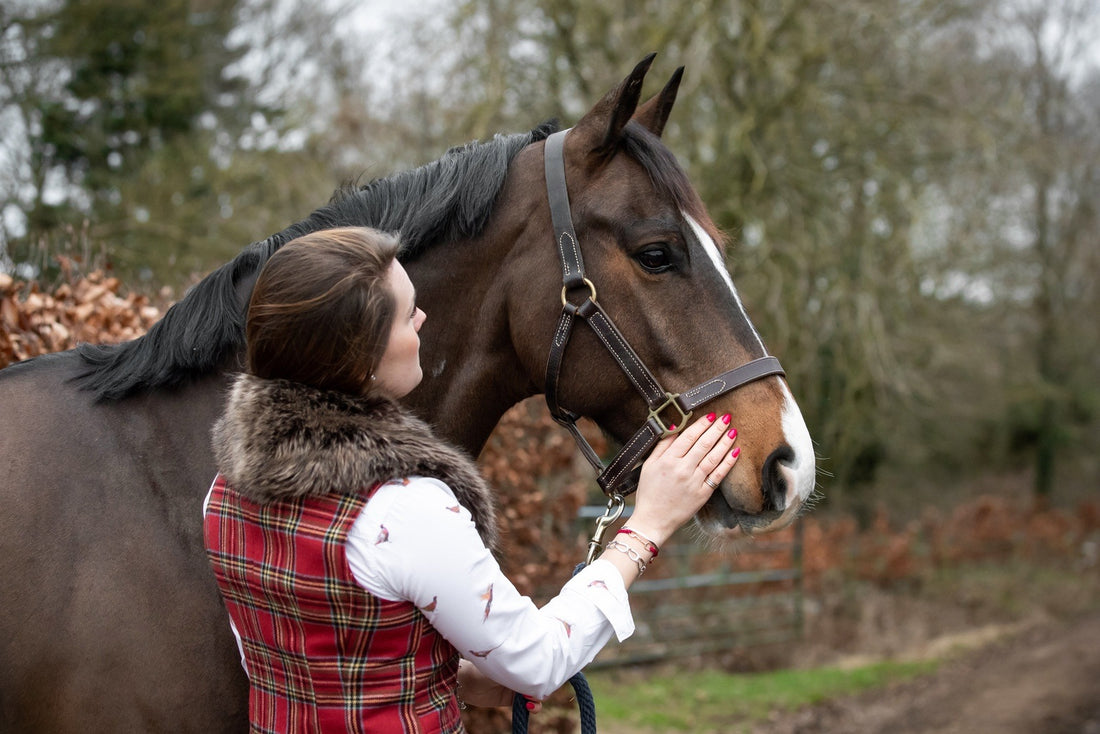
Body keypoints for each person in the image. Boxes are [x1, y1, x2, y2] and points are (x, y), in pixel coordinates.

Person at [203, 226, 742, 733]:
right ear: (357, 357)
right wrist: (647, 525)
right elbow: (540, 660)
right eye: (406, 313)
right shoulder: (403, 510)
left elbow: (298, 661)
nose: (422, 319)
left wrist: (446, 677)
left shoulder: (224, 494)